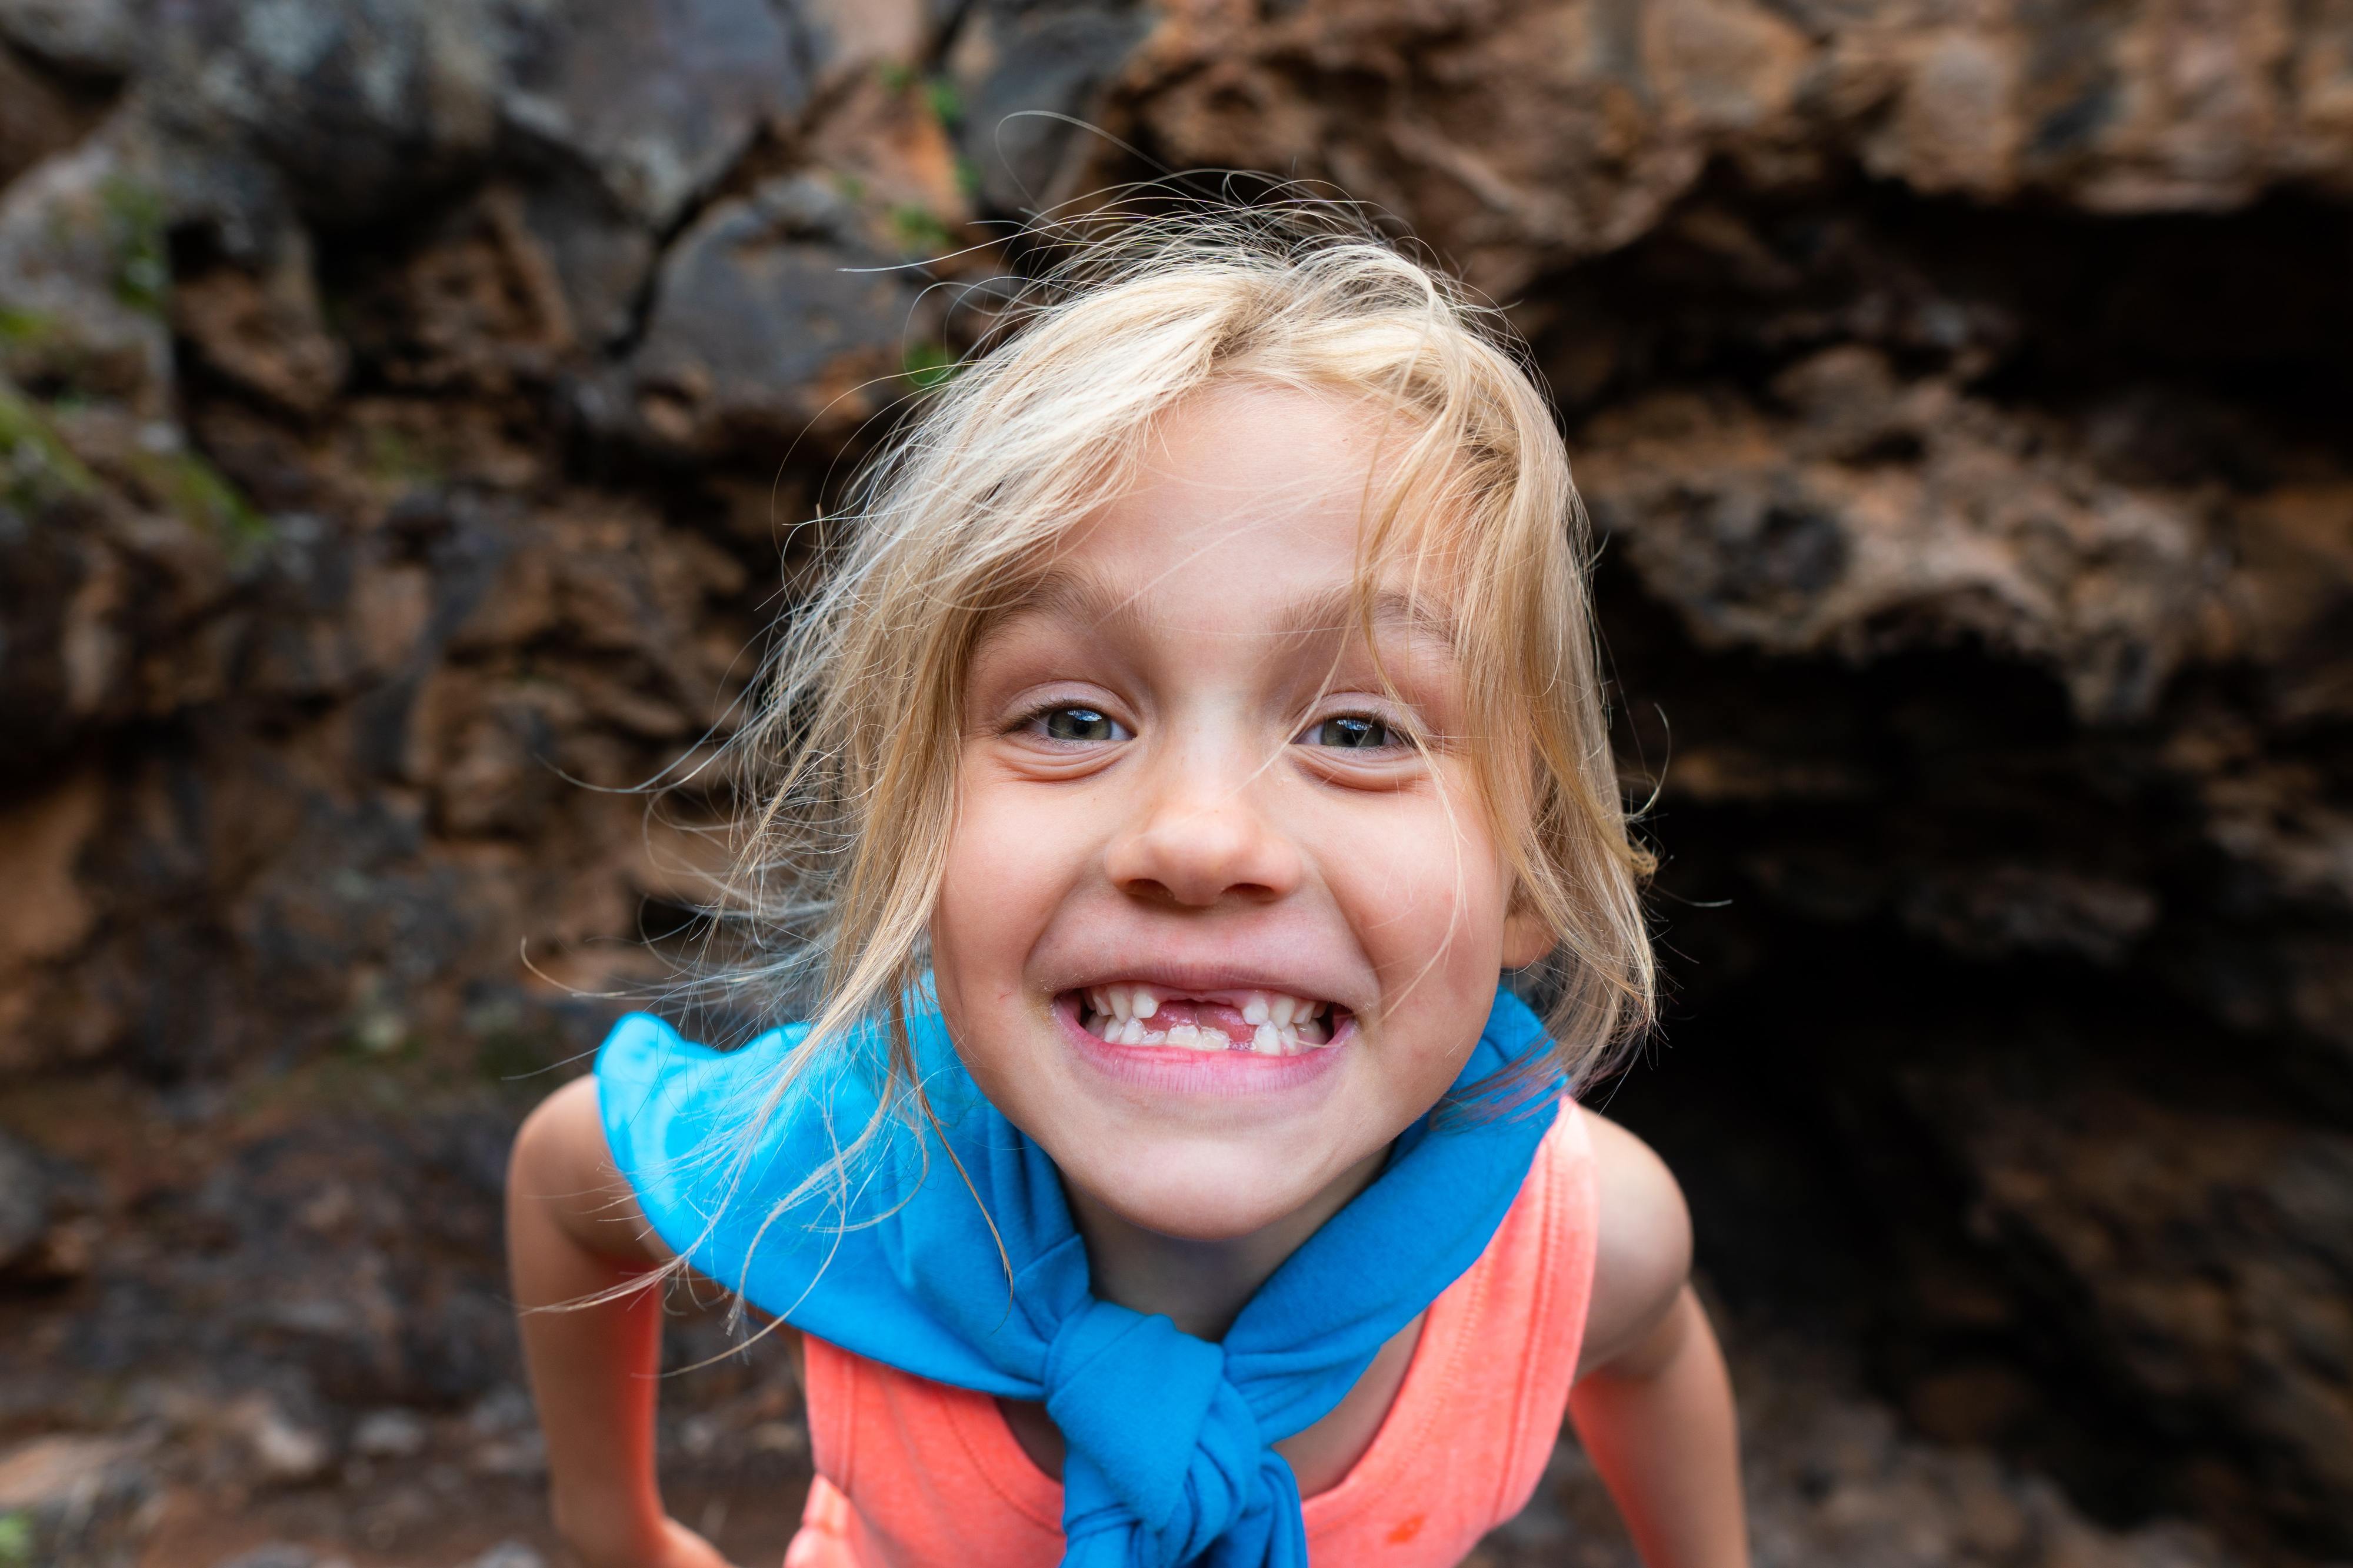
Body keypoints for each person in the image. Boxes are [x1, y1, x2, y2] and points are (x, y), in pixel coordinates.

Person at [504, 207, 1749, 1568]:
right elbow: (572, 1179)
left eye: (1358, 730)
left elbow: (1651, 1354)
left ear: (1530, 878)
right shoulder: (836, 1169)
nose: (1201, 838)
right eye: (1071, 717)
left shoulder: (1577, 1242)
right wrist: (613, 1531)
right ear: (914, 839)